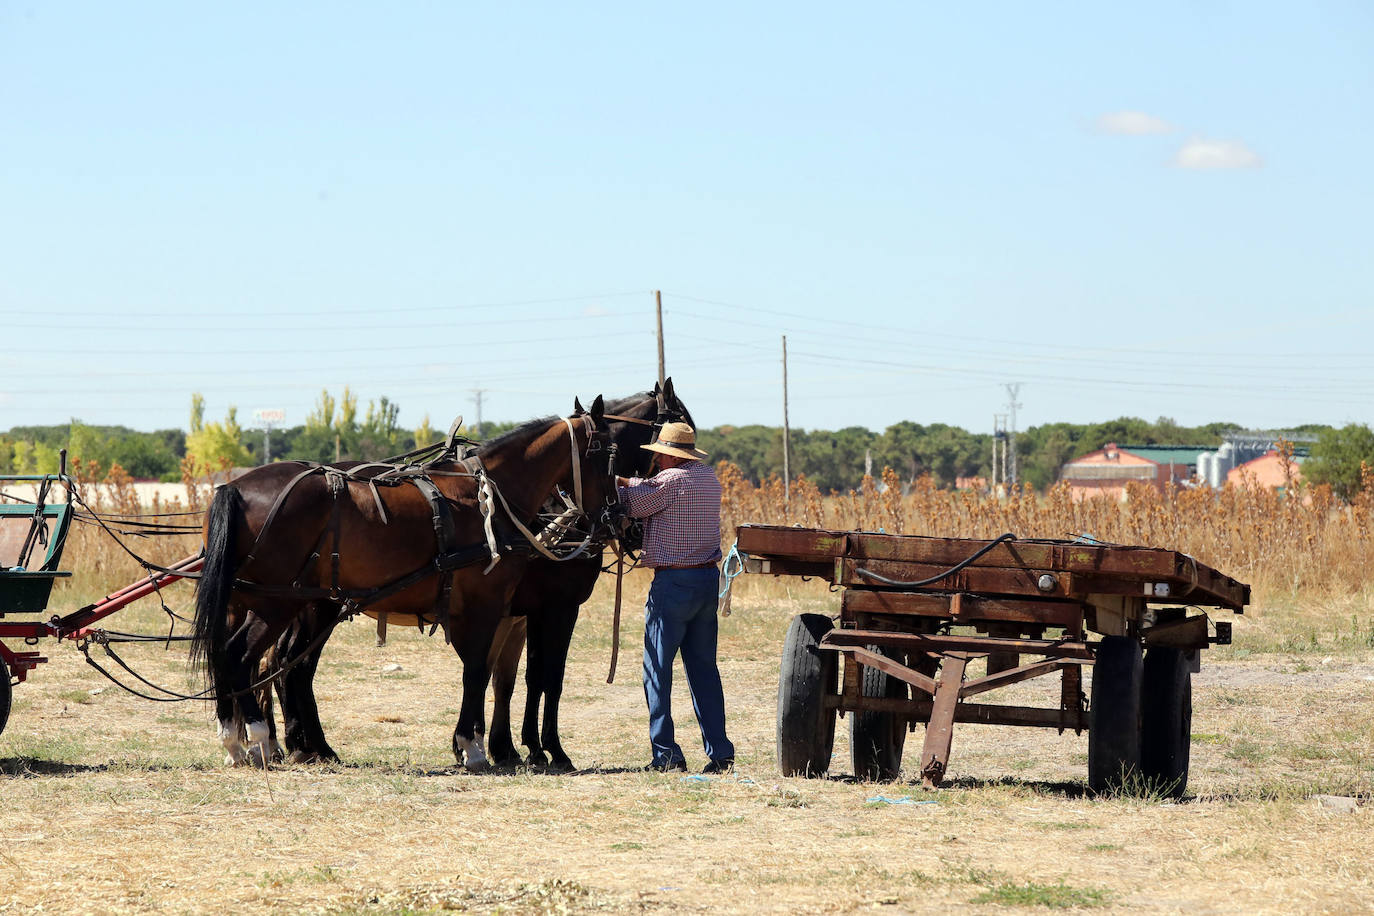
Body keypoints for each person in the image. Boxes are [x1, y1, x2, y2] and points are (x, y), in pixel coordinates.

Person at [616, 421, 735, 773]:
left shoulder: (670, 481)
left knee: (657, 669)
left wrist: (613, 483)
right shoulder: (707, 478)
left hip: (673, 585)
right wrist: (632, 482)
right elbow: (649, 488)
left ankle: (666, 753)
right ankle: (720, 752)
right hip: (706, 580)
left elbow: (634, 504)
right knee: (703, 671)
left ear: (667, 456)